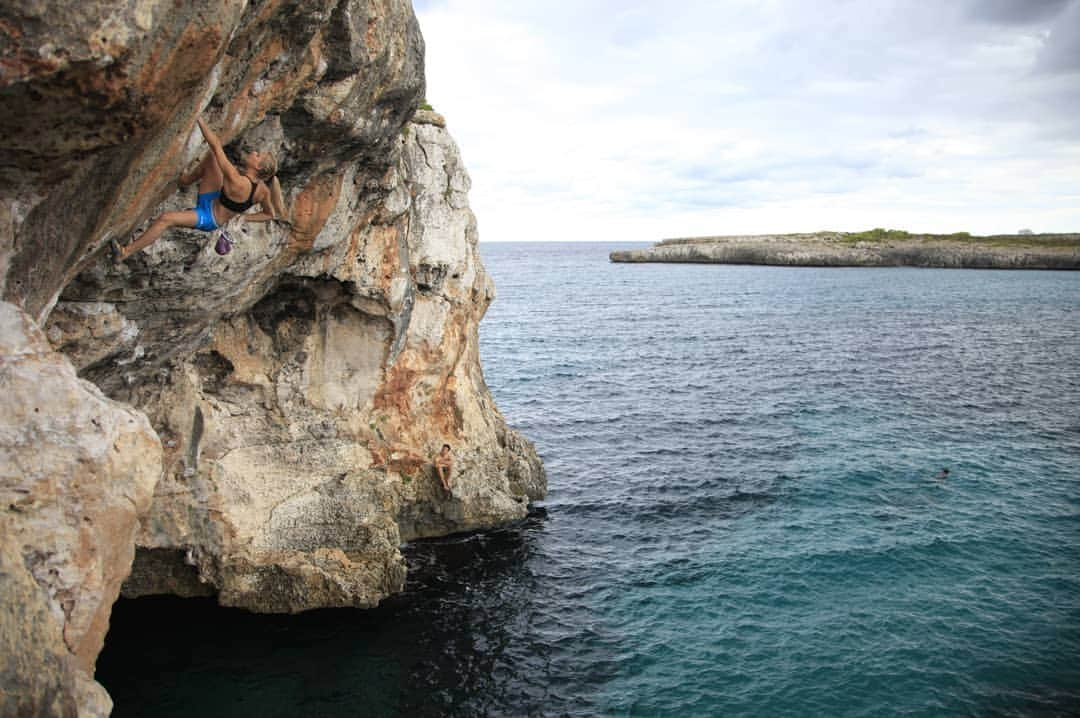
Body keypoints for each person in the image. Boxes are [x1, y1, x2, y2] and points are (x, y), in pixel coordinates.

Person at [112, 115, 287, 261]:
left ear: (257, 167)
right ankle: (186, 180)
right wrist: (244, 217)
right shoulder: (263, 190)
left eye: (257, 155)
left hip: (208, 217)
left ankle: (125, 252)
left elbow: (216, 146)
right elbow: (269, 214)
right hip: (212, 198)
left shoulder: (237, 181)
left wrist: (199, 118)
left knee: (165, 219)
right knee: (211, 159)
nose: (254, 152)